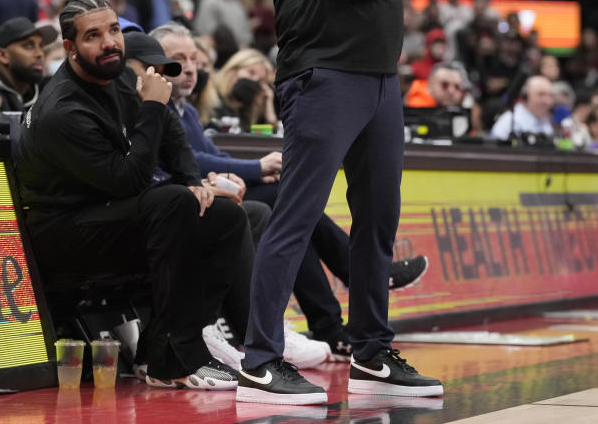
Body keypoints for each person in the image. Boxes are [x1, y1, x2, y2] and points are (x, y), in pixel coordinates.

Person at [238, 0, 444, 405]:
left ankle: (372, 353)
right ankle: (260, 358)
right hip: (323, 72)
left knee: (377, 220)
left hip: (383, 78)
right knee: (297, 214)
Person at [146, 23, 430, 358]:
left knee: (292, 206)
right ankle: (352, 292)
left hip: (208, 195)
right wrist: (256, 169)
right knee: (287, 203)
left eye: (194, 58)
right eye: (179, 59)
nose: (190, 67)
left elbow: (215, 158)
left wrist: (249, 175)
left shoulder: (187, 111)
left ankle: (334, 322)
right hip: (178, 203)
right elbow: (186, 158)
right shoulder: (155, 107)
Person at [15, 0, 253, 391]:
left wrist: (194, 180)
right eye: (94, 35)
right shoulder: (63, 110)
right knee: (172, 203)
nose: (109, 42)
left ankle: (161, 350)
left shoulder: (120, 78)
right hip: (63, 234)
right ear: (70, 48)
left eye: (112, 30)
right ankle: (176, 358)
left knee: (225, 217)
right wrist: (154, 109)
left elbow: (173, 139)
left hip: (110, 214)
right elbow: (129, 180)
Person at [0, 17, 58, 111]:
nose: (40, 53)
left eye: (41, 46)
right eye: (28, 46)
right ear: (3, 55)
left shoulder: (44, 91)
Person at [488, 75, 555, 141]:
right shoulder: (510, 121)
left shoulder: (547, 121)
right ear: (524, 97)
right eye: (541, 94)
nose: (547, 101)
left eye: (550, 95)